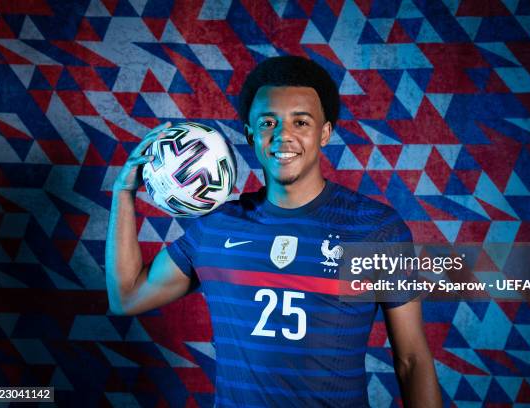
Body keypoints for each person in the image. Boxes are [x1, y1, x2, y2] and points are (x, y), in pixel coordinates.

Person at [106, 56, 441, 407]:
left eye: (301, 122)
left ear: (324, 132)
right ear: (250, 133)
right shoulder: (217, 228)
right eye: (268, 122)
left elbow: (412, 360)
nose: (284, 135)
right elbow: (127, 297)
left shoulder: (373, 229)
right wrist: (123, 193)